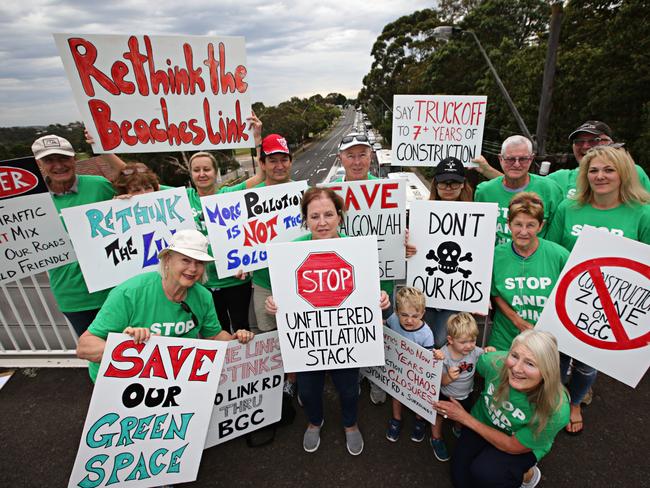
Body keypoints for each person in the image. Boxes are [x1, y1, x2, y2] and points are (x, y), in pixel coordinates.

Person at [264, 187, 391, 456]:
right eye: (314, 216)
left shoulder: (357, 250)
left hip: (344, 338)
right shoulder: (290, 252)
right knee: (309, 392)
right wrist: (274, 304)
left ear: (340, 217)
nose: (322, 222)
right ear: (305, 219)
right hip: (309, 341)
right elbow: (283, 296)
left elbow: (369, 288)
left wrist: (379, 298)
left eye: (328, 214)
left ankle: (350, 424)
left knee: (348, 390)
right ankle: (314, 421)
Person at [546, 144, 650, 434]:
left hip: (611, 307)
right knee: (556, 357)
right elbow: (551, 249)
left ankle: (576, 402)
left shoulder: (643, 213)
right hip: (566, 297)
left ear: (624, 173)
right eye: (593, 170)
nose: (600, 176)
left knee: (588, 364)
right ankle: (554, 400)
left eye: (608, 169)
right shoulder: (569, 208)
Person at [76, 229, 254, 382]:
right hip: (121, 380)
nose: (193, 269)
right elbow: (84, 347)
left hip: (173, 377)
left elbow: (214, 336)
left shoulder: (203, 296)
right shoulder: (129, 293)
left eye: (199, 263)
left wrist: (236, 340)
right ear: (167, 260)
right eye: (185, 260)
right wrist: (129, 346)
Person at [435, 329, 570, 488]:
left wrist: (463, 417)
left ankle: (528, 475)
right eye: (514, 356)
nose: (516, 369)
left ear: (548, 371)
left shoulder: (556, 410)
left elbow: (511, 445)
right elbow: (468, 365)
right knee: (461, 481)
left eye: (530, 363)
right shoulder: (494, 362)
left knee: (487, 474)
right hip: (483, 422)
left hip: (516, 444)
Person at [31, 134, 124, 336]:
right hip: (74, 296)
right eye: (49, 160)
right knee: (96, 355)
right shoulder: (32, 202)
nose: (58, 165)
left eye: (64, 158)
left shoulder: (99, 185)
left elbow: (135, 179)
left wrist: (128, 199)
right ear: (39, 164)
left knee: (131, 351)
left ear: (74, 159)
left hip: (115, 290)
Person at [185, 112, 263, 334]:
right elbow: (146, 188)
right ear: (190, 174)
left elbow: (261, 177)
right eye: (196, 170)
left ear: (215, 172)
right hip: (202, 284)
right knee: (214, 333)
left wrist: (257, 139)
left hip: (236, 280)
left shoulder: (230, 193)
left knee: (241, 331)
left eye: (207, 169)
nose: (202, 174)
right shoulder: (182, 199)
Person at [489, 193, 569, 352]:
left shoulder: (559, 255)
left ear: (541, 226)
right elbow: (495, 293)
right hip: (505, 337)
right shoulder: (495, 255)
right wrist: (517, 320)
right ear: (508, 224)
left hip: (546, 339)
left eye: (530, 225)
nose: (523, 232)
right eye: (518, 224)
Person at [423, 156, 473, 348]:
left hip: (456, 297)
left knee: (441, 342)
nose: (449, 188)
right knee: (423, 342)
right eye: (444, 183)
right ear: (435, 184)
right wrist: (408, 248)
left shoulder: (477, 218)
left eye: (455, 183)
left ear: (463, 185)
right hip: (426, 293)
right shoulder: (422, 214)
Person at [474, 135, 563, 245]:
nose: (516, 164)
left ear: (531, 159)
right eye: (510, 159)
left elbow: (556, 233)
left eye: (523, 159)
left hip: (535, 258)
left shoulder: (550, 189)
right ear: (500, 159)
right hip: (496, 258)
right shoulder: (484, 192)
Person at [431, 312, 495, 462]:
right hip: (446, 394)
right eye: (464, 342)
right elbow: (438, 381)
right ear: (450, 340)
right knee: (439, 417)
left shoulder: (474, 350)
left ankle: (458, 428)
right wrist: (448, 378)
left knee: (463, 413)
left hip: (466, 394)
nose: (469, 345)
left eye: (472, 340)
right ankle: (436, 437)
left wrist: (489, 350)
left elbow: (484, 354)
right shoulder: (443, 355)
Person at [384, 287, 444, 447]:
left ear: (423, 313)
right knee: (396, 394)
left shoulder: (426, 334)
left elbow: (429, 359)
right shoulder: (393, 319)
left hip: (417, 376)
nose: (409, 320)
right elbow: (386, 326)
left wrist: (436, 356)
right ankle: (396, 419)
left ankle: (420, 420)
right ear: (396, 312)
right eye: (404, 315)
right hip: (398, 369)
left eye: (414, 316)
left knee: (419, 397)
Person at [547, 121, 650, 199]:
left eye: (594, 140)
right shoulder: (560, 178)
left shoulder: (631, 171)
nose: (585, 146)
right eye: (579, 141)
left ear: (611, 143)